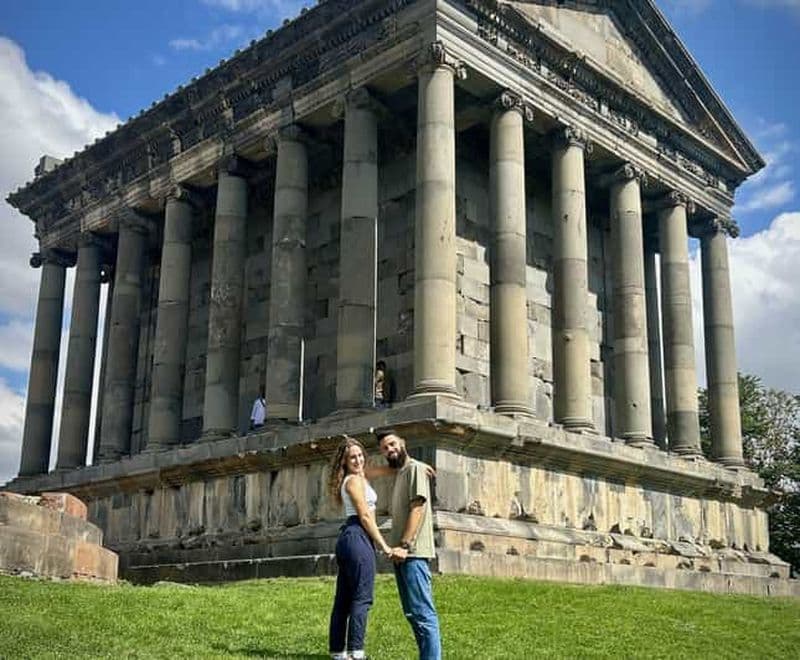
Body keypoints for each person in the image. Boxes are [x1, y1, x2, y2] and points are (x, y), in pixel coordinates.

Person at [377, 429, 441, 660]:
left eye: (392, 444)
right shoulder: (403, 472)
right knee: (413, 614)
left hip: (412, 553)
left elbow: (418, 507)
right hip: (401, 555)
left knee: (423, 614)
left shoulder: (414, 469)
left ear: (403, 443)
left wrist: (405, 545)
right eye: (385, 448)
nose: (390, 450)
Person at [327, 436, 393, 660]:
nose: (358, 460)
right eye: (352, 458)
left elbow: (380, 471)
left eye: (360, 455)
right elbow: (365, 516)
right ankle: (356, 652)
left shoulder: (359, 477)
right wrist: (384, 545)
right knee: (361, 597)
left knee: (344, 598)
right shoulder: (354, 481)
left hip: (351, 538)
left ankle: (338, 653)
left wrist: (406, 466)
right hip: (357, 535)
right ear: (344, 462)